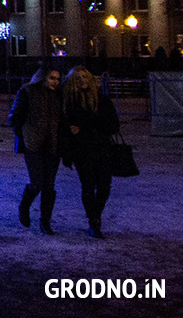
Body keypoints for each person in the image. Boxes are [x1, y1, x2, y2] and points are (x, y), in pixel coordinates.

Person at [60, 66, 120, 239]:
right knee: (88, 185)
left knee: (104, 186)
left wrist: (90, 125)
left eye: (85, 77)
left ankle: (95, 215)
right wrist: (69, 130)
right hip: (81, 150)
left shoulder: (102, 100)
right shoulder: (69, 102)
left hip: (102, 148)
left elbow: (113, 126)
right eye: (78, 78)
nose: (82, 81)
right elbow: (64, 125)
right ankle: (94, 221)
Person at [8, 64, 62, 233]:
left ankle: (45, 221)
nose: (55, 82)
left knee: (49, 185)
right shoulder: (28, 92)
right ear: (43, 77)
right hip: (33, 144)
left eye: (58, 78)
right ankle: (24, 206)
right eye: (52, 78)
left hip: (52, 144)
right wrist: (24, 133)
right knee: (37, 182)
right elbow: (15, 117)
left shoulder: (59, 95)